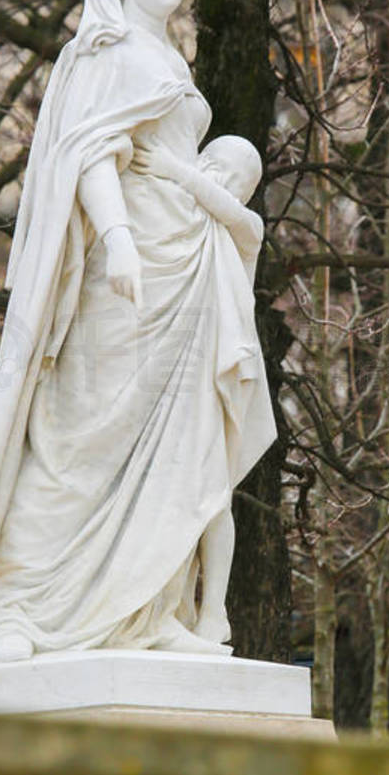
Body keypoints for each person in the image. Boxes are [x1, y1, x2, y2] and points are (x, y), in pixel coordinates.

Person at [0, 0, 276, 665]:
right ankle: (20, 607)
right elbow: (90, 153)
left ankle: (147, 609)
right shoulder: (103, 55)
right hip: (124, 273)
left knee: (172, 450)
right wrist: (121, 239)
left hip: (187, 279)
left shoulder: (168, 58)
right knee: (77, 436)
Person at [130, 132, 264, 647]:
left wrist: (175, 168)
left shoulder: (237, 231)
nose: (217, 177)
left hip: (211, 382)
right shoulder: (176, 222)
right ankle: (159, 603)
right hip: (164, 374)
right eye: (213, 163)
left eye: (234, 179)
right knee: (164, 490)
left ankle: (214, 614)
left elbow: (242, 219)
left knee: (213, 498)